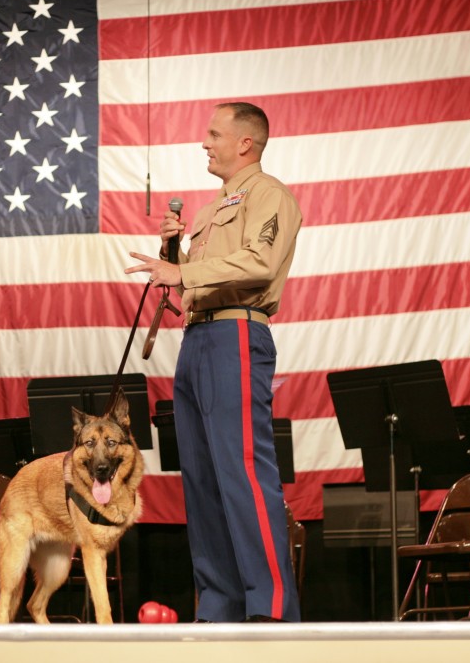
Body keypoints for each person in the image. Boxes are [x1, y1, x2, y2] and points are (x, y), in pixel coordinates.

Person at [126, 102, 302, 622]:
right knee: (201, 479)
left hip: (236, 334)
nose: (205, 142)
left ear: (245, 142)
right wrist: (173, 253)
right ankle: (219, 607)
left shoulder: (270, 194)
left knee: (243, 472)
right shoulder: (206, 211)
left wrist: (181, 274)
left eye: (214, 134)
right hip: (197, 338)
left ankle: (268, 608)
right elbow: (193, 278)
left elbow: (260, 261)